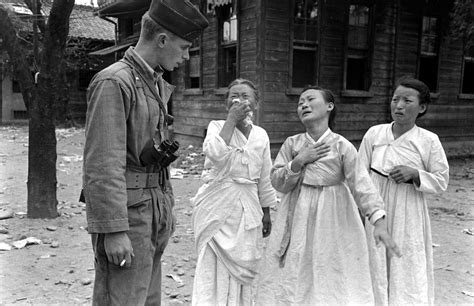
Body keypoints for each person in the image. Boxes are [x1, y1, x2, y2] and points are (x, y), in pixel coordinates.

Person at [82, 1, 208, 305]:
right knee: (122, 300)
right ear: (162, 40)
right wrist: (113, 231)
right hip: (129, 216)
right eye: (184, 46)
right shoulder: (115, 82)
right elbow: (102, 165)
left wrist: (166, 209)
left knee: (147, 300)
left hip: (150, 212)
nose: (186, 56)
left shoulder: (150, 83)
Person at [255, 86, 401, 305]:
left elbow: (362, 184)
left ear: (329, 106)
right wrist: (298, 161)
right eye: (300, 102)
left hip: (334, 215)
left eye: (310, 99)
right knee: (297, 265)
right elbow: (277, 182)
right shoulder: (292, 144)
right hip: (298, 213)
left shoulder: (342, 146)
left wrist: (378, 220)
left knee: (330, 266)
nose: (303, 104)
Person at [358, 77, 449, 305]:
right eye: (395, 99)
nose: (398, 106)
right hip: (376, 203)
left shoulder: (428, 140)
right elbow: (358, 175)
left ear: (422, 108)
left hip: (408, 208)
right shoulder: (375, 134)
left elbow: (441, 180)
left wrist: (415, 173)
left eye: (407, 101)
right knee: (374, 257)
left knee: (405, 258)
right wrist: (361, 212)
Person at [191, 78, 276, 305]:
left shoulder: (261, 135)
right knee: (212, 261)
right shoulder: (217, 127)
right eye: (233, 96)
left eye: (245, 96)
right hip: (216, 207)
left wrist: (266, 211)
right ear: (226, 103)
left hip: (248, 207)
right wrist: (231, 120)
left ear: (256, 104)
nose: (239, 100)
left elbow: (264, 177)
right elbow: (215, 153)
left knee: (246, 261)